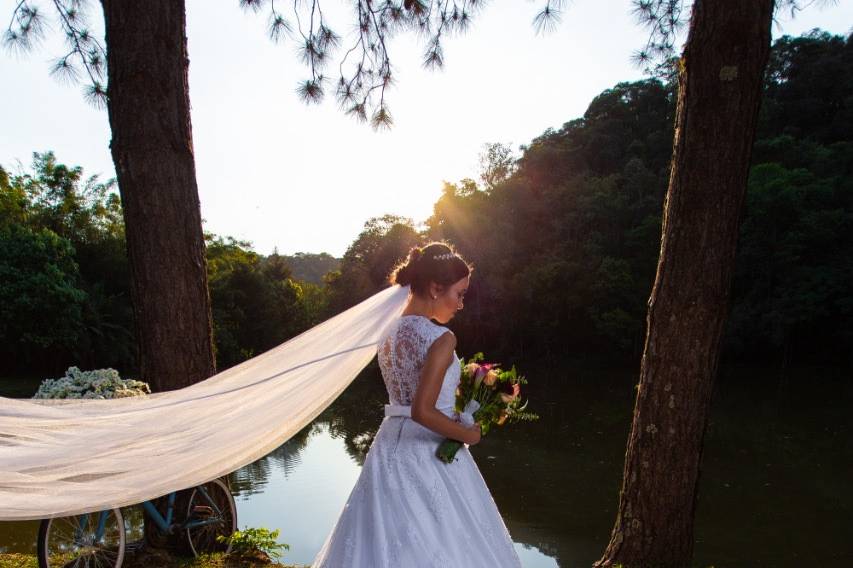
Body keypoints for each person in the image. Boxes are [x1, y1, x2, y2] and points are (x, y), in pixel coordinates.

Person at [312, 241, 523, 567]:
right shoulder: (442, 338)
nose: (461, 303)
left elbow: (410, 398)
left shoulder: (387, 333)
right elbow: (422, 410)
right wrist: (467, 434)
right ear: (436, 288)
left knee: (380, 538)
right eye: (459, 293)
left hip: (388, 448)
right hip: (427, 454)